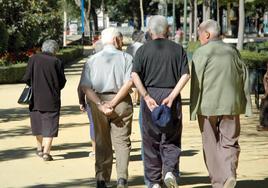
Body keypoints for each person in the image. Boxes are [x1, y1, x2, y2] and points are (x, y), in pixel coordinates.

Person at [190, 19, 252, 188]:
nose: (199, 38)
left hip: (207, 106)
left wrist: (193, 108)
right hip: (232, 105)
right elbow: (243, 76)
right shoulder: (232, 51)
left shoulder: (201, 53)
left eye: (199, 34)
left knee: (210, 144)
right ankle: (229, 173)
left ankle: (218, 182)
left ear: (207, 34)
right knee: (230, 141)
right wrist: (245, 104)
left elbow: (196, 82)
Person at [131, 15, 190, 188]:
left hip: (150, 94)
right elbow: (186, 74)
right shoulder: (178, 49)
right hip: (171, 94)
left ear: (150, 31)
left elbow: (134, 75)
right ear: (168, 30)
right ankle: (170, 171)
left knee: (150, 139)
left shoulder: (142, 50)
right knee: (171, 136)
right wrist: (173, 95)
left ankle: (154, 180)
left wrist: (146, 96)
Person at [79, 27, 133, 188]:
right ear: (116, 40)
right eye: (121, 39)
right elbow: (129, 82)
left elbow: (85, 87)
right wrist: (114, 102)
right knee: (122, 141)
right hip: (121, 102)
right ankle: (122, 178)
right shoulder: (126, 58)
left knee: (101, 140)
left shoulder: (92, 60)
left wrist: (100, 105)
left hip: (98, 101)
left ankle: (101, 179)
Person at [22, 40, 66, 161]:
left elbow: (26, 78)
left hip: (35, 98)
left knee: (37, 124)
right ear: (55, 50)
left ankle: (39, 149)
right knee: (50, 125)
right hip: (52, 99)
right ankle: (46, 152)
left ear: (42, 48)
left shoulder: (33, 58)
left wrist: (35, 84)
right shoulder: (57, 62)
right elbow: (62, 82)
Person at [126, 30, 145, 106]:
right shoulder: (143, 46)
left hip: (131, 66)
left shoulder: (130, 47)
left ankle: (134, 100)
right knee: (141, 83)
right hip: (141, 67)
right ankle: (139, 99)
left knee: (133, 84)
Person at [77, 86, 96, 157]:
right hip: (110, 99)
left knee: (93, 124)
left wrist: (81, 101)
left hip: (92, 99)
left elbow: (81, 86)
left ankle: (95, 150)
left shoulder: (88, 74)